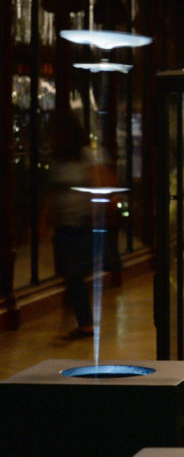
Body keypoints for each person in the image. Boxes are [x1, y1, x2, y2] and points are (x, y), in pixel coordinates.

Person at [42, 109, 103, 340]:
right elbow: (51, 192)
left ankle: (85, 322)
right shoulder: (58, 160)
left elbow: (96, 183)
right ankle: (81, 317)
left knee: (75, 272)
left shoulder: (85, 156)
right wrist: (45, 220)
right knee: (71, 272)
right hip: (65, 224)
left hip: (82, 223)